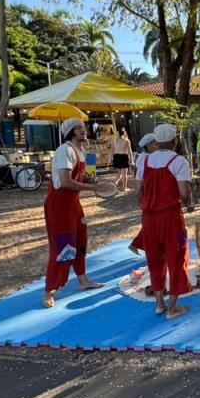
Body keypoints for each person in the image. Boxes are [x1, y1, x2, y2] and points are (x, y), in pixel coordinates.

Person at [42, 117, 104, 308]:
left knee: (80, 242)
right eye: (78, 128)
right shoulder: (65, 150)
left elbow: (79, 176)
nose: (83, 130)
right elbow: (66, 181)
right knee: (63, 247)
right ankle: (49, 290)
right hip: (59, 206)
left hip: (73, 204)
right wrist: (92, 188)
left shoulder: (80, 150)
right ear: (70, 132)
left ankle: (82, 280)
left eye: (83, 127)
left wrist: (92, 181)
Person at [135, 123, 196, 319]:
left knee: (154, 259)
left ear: (156, 141)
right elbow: (184, 193)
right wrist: (189, 204)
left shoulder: (143, 160)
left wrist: (148, 206)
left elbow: (138, 191)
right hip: (170, 217)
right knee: (177, 258)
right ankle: (173, 308)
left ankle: (159, 304)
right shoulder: (179, 161)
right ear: (174, 140)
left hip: (149, 218)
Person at [128, 133, 158, 256]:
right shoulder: (144, 159)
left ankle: (137, 244)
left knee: (153, 221)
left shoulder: (147, 157)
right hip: (147, 193)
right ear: (148, 146)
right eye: (155, 143)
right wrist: (141, 195)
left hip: (149, 193)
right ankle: (137, 244)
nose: (157, 146)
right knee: (151, 221)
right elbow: (140, 179)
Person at [111, 127, 133, 192]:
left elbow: (112, 150)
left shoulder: (114, 140)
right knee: (124, 174)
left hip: (116, 156)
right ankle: (124, 187)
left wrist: (111, 158)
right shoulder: (126, 140)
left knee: (119, 172)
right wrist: (132, 160)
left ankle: (115, 184)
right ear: (124, 132)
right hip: (123, 156)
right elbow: (129, 151)